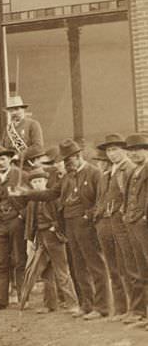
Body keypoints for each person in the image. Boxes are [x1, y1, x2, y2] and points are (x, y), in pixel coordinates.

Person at [22, 139, 110, 319]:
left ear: (78, 156)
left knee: (95, 266)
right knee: (78, 268)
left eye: (68, 160)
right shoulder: (67, 177)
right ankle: (86, 305)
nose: (65, 164)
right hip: (69, 227)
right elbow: (51, 193)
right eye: (64, 161)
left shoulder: (94, 173)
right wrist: (26, 193)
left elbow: (102, 200)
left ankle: (102, 307)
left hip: (87, 227)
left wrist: (88, 216)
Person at [23, 169, 81, 315]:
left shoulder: (54, 198)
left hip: (54, 237)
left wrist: (55, 227)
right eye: (34, 182)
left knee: (62, 272)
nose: (38, 184)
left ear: (46, 182)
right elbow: (30, 223)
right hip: (40, 238)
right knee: (45, 273)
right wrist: (29, 240)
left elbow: (62, 216)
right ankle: (50, 304)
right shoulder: (32, 201)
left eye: (40, 181)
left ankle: (73, 304)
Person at [95, 134, 138, 321]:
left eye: (115, 150)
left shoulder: (129, 169)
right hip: (106, 224)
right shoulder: (108, 173)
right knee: (113, 268)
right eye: (109, 151)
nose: (112, 154)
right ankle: (121, 309)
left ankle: (135, 309)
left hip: (122, 224)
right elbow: (101, 199)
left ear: (124, 150)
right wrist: (98, 217)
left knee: (128, 267)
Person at [0, 146, 28, 311]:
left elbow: (30, 199)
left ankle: (23, 298)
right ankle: (1, 300)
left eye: (3, 159)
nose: (0, 163)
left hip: (17, 222)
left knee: (19, 260)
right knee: (0, 262)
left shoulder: (21, 175)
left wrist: (22, 216)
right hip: (0, 225)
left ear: (9, 159)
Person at [123, 133, 148, 326]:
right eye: (131, 151)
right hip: (132, 223)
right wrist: (126, 215)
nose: (134, 154)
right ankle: (143, 313)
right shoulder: (133, 172)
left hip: (144, 223)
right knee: (141, 269)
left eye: (138, 150)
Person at [2, 95, 44, 165]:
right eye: (11, 110)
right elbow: (3, 149)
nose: (14, 113)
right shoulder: (7, 129)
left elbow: (38, 147)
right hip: (12, 166)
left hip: (29, 165)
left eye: (17, 109)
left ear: (23, 109)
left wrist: (19, 156)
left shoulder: (32, 124)